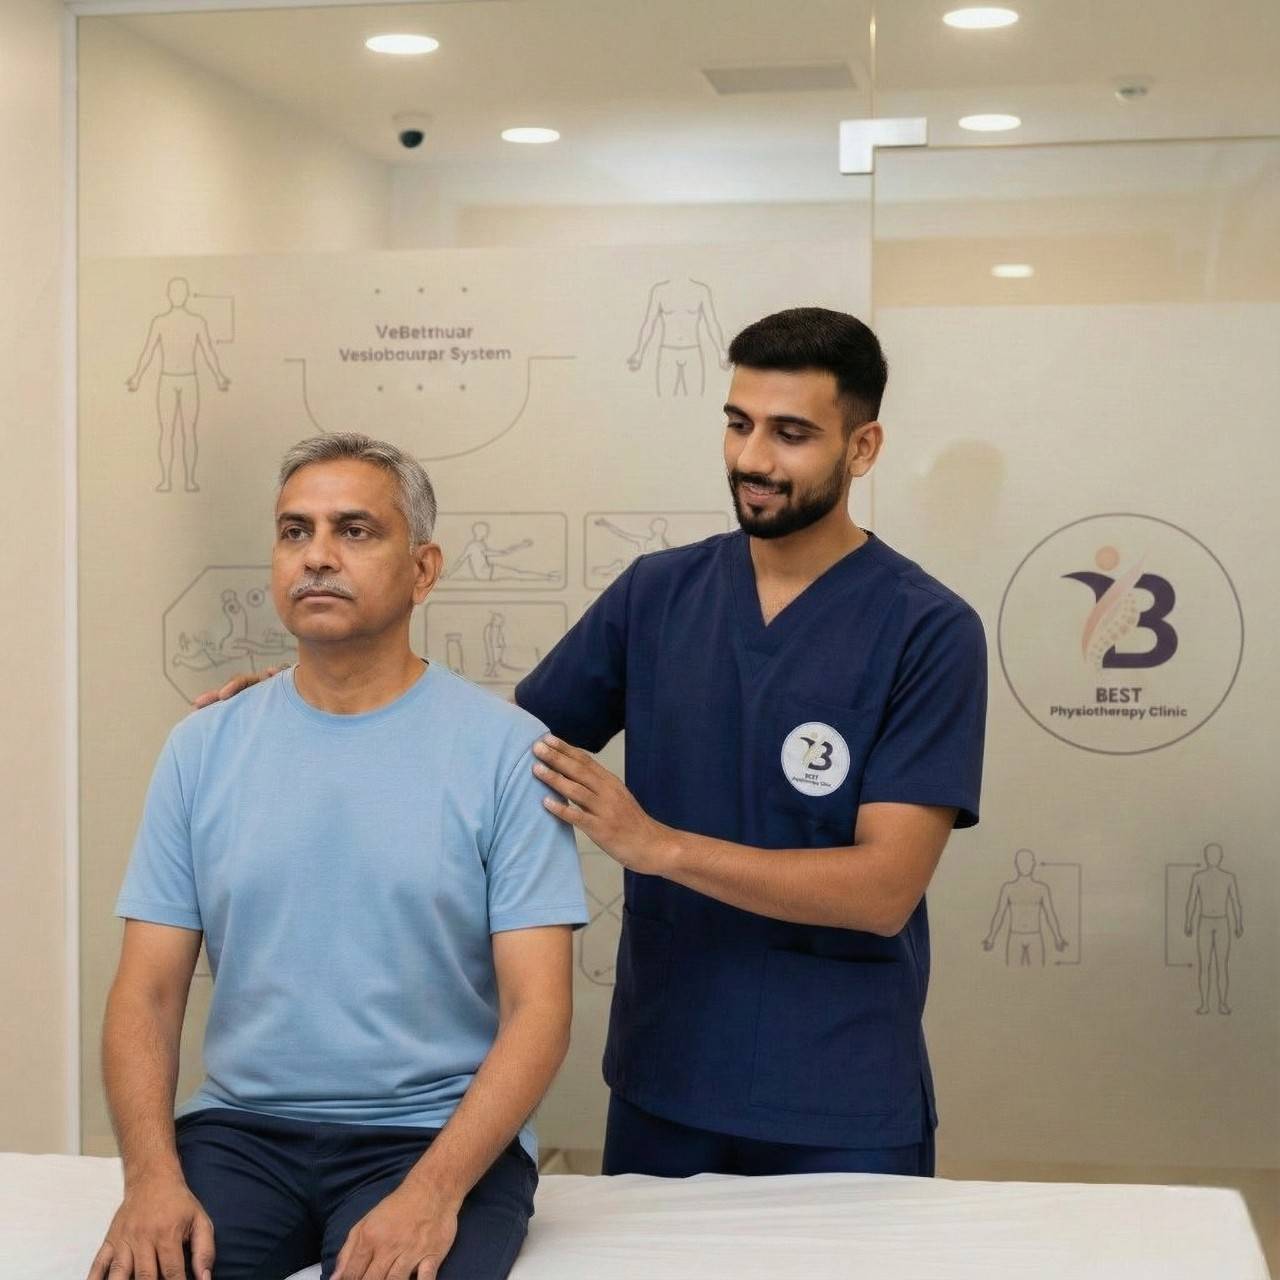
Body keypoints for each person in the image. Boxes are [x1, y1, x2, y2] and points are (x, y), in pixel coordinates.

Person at [90, 433, 587, 1280]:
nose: (317, 555)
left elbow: (538, 1009)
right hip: (242, 1135)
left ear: (423, 570)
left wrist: (432, 1195)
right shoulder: (202, 748)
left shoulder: (507, 752)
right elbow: (148, 989)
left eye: (355, 531)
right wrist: (149, 1179)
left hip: (433, 1135)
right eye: (295, 532)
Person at [520, 307, 987, 1177]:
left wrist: (657, 847)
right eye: (738, 424)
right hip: (666, 1079)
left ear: (864, 446)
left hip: (839, 1099)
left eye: (792, 433)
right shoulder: (657, 595)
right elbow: (502, 749)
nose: (752, 459)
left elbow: (884, 888)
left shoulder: (927, 630)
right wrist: (330, 699)